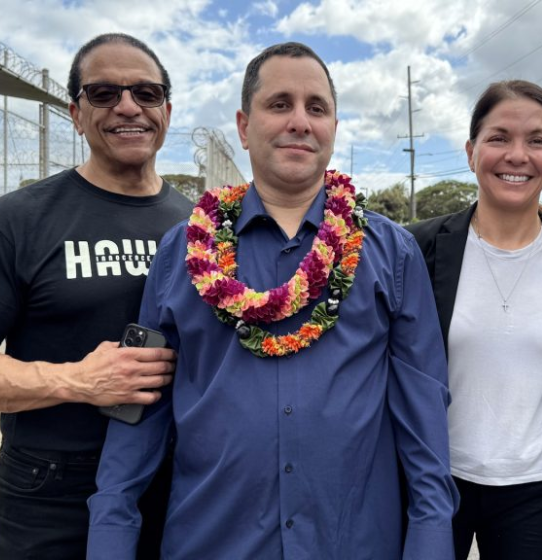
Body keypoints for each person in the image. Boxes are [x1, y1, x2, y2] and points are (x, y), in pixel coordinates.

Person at [86, 41, 458, 560]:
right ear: (244, 126)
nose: (299, 122)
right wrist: (110, 535)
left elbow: (424, 414)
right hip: (212, 542)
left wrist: (431, 540)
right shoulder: (183, 251)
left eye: (316, 108)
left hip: (352, 542)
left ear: (333, 128)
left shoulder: (391, 253)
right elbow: (139, 404)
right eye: (280, 104)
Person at [0, 33, 192, 559]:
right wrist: (78, 381)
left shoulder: (202, 227)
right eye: (104, 93)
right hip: (52, 490)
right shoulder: (19, 220)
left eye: (147, 93)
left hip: (174, 481)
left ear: (167, 111)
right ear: (76, 114)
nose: (128, 107)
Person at [408, 80, 542, 560]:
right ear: (471, 151)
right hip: (435, 477)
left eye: (537, 140)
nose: (517, 155)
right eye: (499, 138)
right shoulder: (418, 247)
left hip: (538, 488)